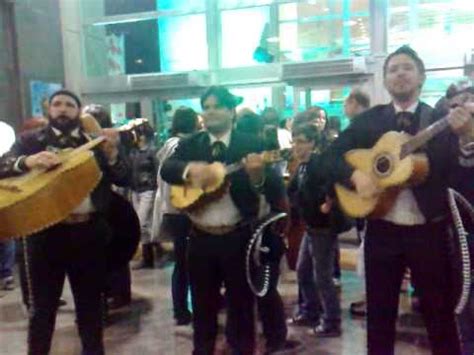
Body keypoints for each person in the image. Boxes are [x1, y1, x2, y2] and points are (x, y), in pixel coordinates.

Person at [325, 45, 474, 355]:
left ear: (421, 77)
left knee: (439, 316)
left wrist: (467, 139)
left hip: (429, 232)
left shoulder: (441, 120)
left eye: (407, 67)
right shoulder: (370, 121)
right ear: (385, 79)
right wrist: (355, 176)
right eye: (392, 69)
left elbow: (460, 177)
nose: (400, 73)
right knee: (379, 317)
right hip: (382, 231)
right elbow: (326, 158)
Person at [0, 89, 129, 355]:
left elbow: (125, 178)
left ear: (78, 112)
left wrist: (114, 153)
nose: (62, 109)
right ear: (49, 110)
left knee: (91, 308)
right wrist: (28, 161)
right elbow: (2, 165)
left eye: (70, 105)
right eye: (57, 104)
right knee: (42, 311)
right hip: (45, 235)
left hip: (89, 234)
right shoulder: (30, 141)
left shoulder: (96, 143)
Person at [161, 86, 287, 355]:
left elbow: (273, 187)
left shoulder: (251, 144)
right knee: (203, 307)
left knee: (241, 307)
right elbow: (166, 169)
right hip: (200, 237)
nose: (210, 111)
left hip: (238, 236)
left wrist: (256, 177)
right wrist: (190, 170)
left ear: (231, 112)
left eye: (217, 106)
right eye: (206, 107)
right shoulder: (190, 144)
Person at [287, 124, 344, 337]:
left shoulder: (319, 163)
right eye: (295, 141)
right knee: (303, 271)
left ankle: (331, 321)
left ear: (312, 142)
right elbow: (293, 191)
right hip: (311, 227)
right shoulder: (303, 166)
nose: (297, 146)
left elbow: (334, 184)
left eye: (301, 141)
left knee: (322, 276)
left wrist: (327, 204)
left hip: (322, 227)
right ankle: (310, 311)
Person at [152, 106, 199, 325]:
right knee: (187, 264)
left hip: (171, 211)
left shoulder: (167, 146)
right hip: (182, 211)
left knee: (182, 263)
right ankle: (182, 310)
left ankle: (181, 309)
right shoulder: (181, 147)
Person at [129, 122, 159, 269]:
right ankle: (149, 258)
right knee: (143, 225)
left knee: (141, 223)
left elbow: (157, 170)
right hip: (135, 189)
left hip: (148, 189)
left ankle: (153, 253)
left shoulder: (152, 151)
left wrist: (156, 187)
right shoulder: (133, 151)